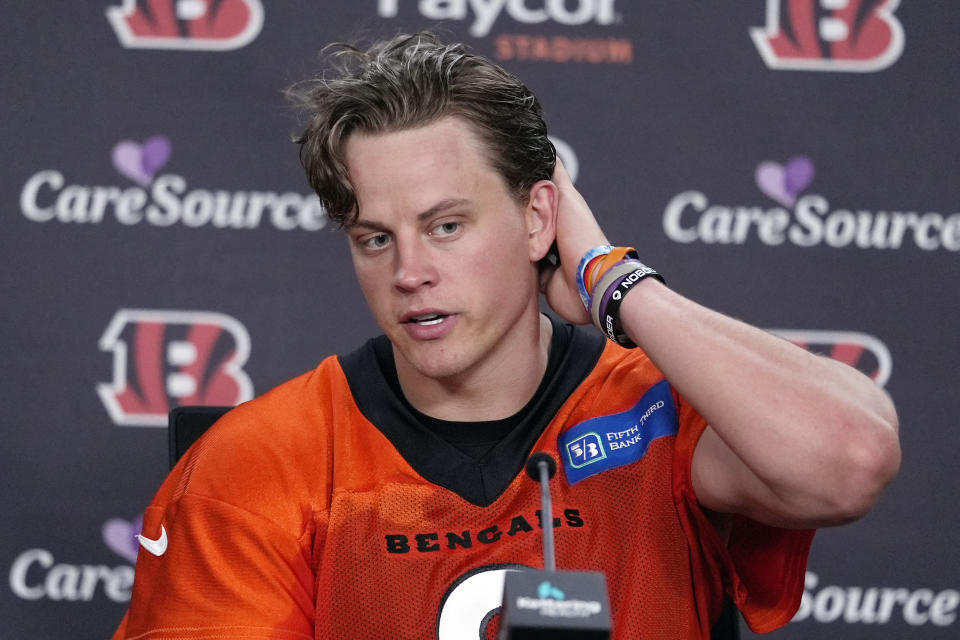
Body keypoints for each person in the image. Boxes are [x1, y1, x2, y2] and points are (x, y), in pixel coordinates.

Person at [112, 32, 900, 639]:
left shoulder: (659, 411)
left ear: (537, 219)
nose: (409, 271)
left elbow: (850, 461)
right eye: (375, 238)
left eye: (446, 226)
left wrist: (611, 280)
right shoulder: (257, 466)